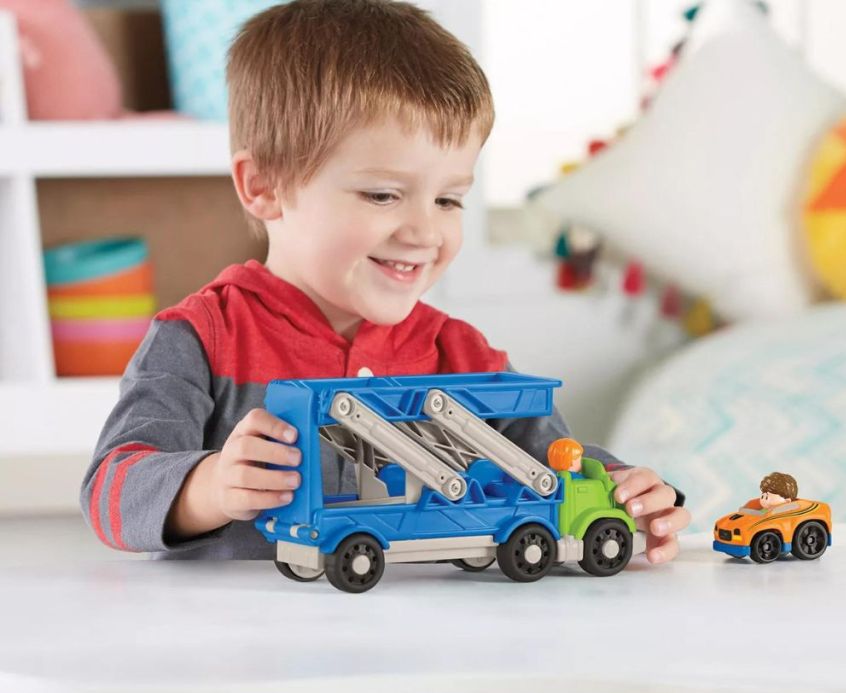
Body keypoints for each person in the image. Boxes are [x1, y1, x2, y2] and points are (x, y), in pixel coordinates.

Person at [80, 0, 689, 607]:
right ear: (264, 187)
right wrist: (207, 486)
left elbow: (549, 470)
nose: (425, 232)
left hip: (422, 652)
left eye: (449, 200)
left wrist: (621, 489)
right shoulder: (200, 338)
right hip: (241, 647)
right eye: (382, 195)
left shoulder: (463, 356)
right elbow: (110, 490)